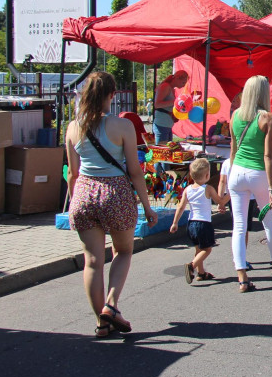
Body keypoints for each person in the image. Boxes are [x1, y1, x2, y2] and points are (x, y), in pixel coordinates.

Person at [65, 71, 158, 338]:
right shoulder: (122, 126)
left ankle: (101, 323)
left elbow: (72, 173)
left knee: (92, 262)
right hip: (115, 193)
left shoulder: (73, 127)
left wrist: (75, 202)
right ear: (112, 95)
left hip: (84, 192)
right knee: (123, 251)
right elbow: (135, 172)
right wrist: (147, 207)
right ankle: (111, 304)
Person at [229, 75, 272, 293]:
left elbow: (233, 150)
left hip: (236, 172)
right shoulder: (267, 118)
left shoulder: (235, 115)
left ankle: (242, 276)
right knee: (269, 221)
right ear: (264, 93)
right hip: (257, 173)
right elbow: (268, 156)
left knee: (239, 226)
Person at [171, 157, 229, 283]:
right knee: (207, 249)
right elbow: (220, 201)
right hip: (203, 224)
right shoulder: (208, 189)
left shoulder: (188, 189)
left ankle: (201, 273)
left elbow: (181, 207)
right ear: (207, 175)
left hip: (191, 223)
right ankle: (191, 266)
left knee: (198, 249)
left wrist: (175, 222)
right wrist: (232, 193)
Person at [153, 70, 189, 144]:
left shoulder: (171, 88)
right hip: (162, 123)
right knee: (162, 151)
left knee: (167, 150)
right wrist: (176, 102)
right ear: (177, 78)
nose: (183, 85)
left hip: (167, 124)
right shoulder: (165, 86)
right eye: (183, 83)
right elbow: (157, 104)